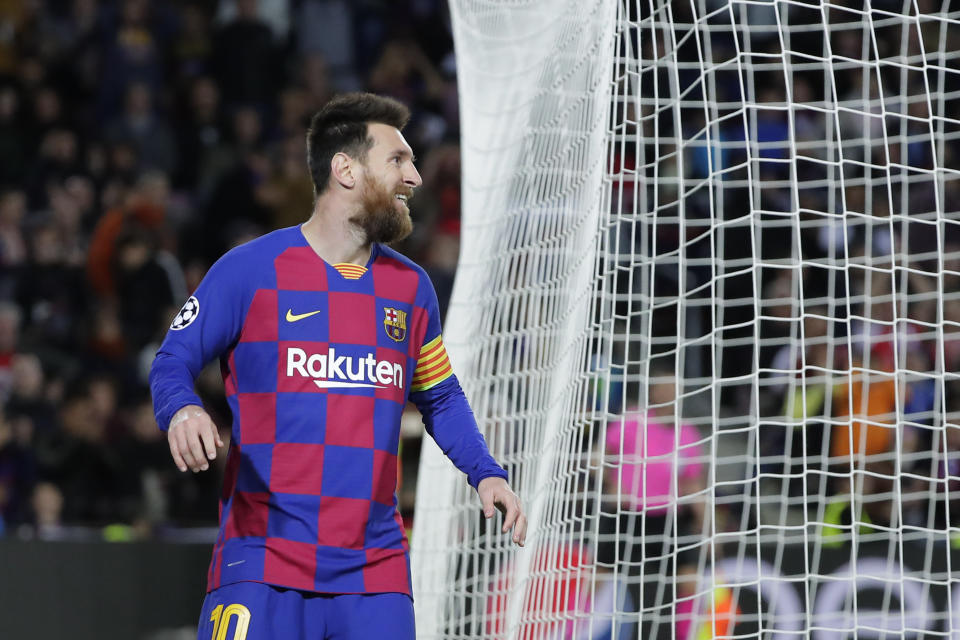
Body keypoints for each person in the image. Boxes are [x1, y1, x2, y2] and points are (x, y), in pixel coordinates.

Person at [149, 92, 526, 640]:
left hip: (375, 573)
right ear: (344, 169)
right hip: (262, 562)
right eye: (398, 160)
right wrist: (182, 409)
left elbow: (440, 396)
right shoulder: (252, 270)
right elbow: (172, 359)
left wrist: (486, 471)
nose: (415, 177)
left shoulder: (411, 288)